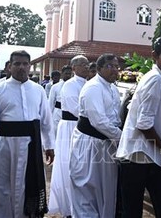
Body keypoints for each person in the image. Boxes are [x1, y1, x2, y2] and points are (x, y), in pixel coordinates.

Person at [0, 50, 55, 218]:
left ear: (30, 67)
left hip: (30, 146)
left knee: (26, 186)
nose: (21, 67)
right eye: (17, 64)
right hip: (4, 145)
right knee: (1, 187)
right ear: (9, 67)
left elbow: (46, 121)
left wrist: (49, 145)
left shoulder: (38, 90)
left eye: (25, 64)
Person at [116, 36, 161, 218]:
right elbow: (144, 124)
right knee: (136, 210)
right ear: (155, 56)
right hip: (139, 156)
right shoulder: (155, 80)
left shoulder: (159, 77)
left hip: (148, 155)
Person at [69, 54, 122, 217]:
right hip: (90, 143)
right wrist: (122, 137)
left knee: (106, 189)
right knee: (87, 187)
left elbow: (115, 117)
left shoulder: (112, 88)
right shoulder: (93, 87)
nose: (114, 70)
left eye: (116, 66)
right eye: (110, 66)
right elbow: (99, 121)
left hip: (107, 143)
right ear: (98, 69)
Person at [48, 55, 90, 218]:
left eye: (87, 64)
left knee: (82, 166)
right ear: (74, 68)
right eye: (82, 64)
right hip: (71, 127)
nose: (86, 67)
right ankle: (68, 206)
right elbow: (76, 109)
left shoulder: (88, 84)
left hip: (83, 127)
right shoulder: (69, 85)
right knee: (68, 165)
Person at [48, 65, 74, 137]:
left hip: (70, 116)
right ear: (62, 74)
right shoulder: (55, 87)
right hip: (57, 114)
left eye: (70, 74)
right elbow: (51, 103)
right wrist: (49, 118)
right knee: (56, 135)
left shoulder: (75, 86)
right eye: (66, 73)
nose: (68, 75)